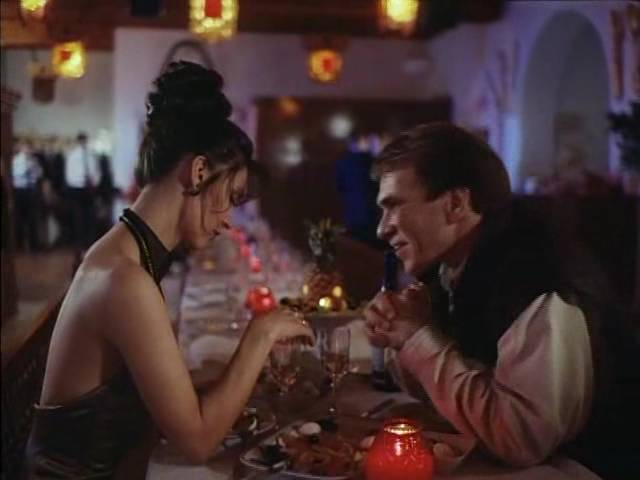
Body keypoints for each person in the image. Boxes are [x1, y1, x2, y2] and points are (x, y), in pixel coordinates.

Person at [23, 61, 313, 479]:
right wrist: (262, 333)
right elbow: (197, 442)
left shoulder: (128, 254)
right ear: (198, 172)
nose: (228, 219)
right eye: (231, 197)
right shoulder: (124, 279)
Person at [363, 123, 639, 478]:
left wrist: (419, 340)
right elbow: (437, 396)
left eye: (393, 206)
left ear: (455, 204)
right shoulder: (451, 270)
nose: (381, 228)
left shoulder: (537, 282)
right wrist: (401, 334)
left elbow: (521, 438)